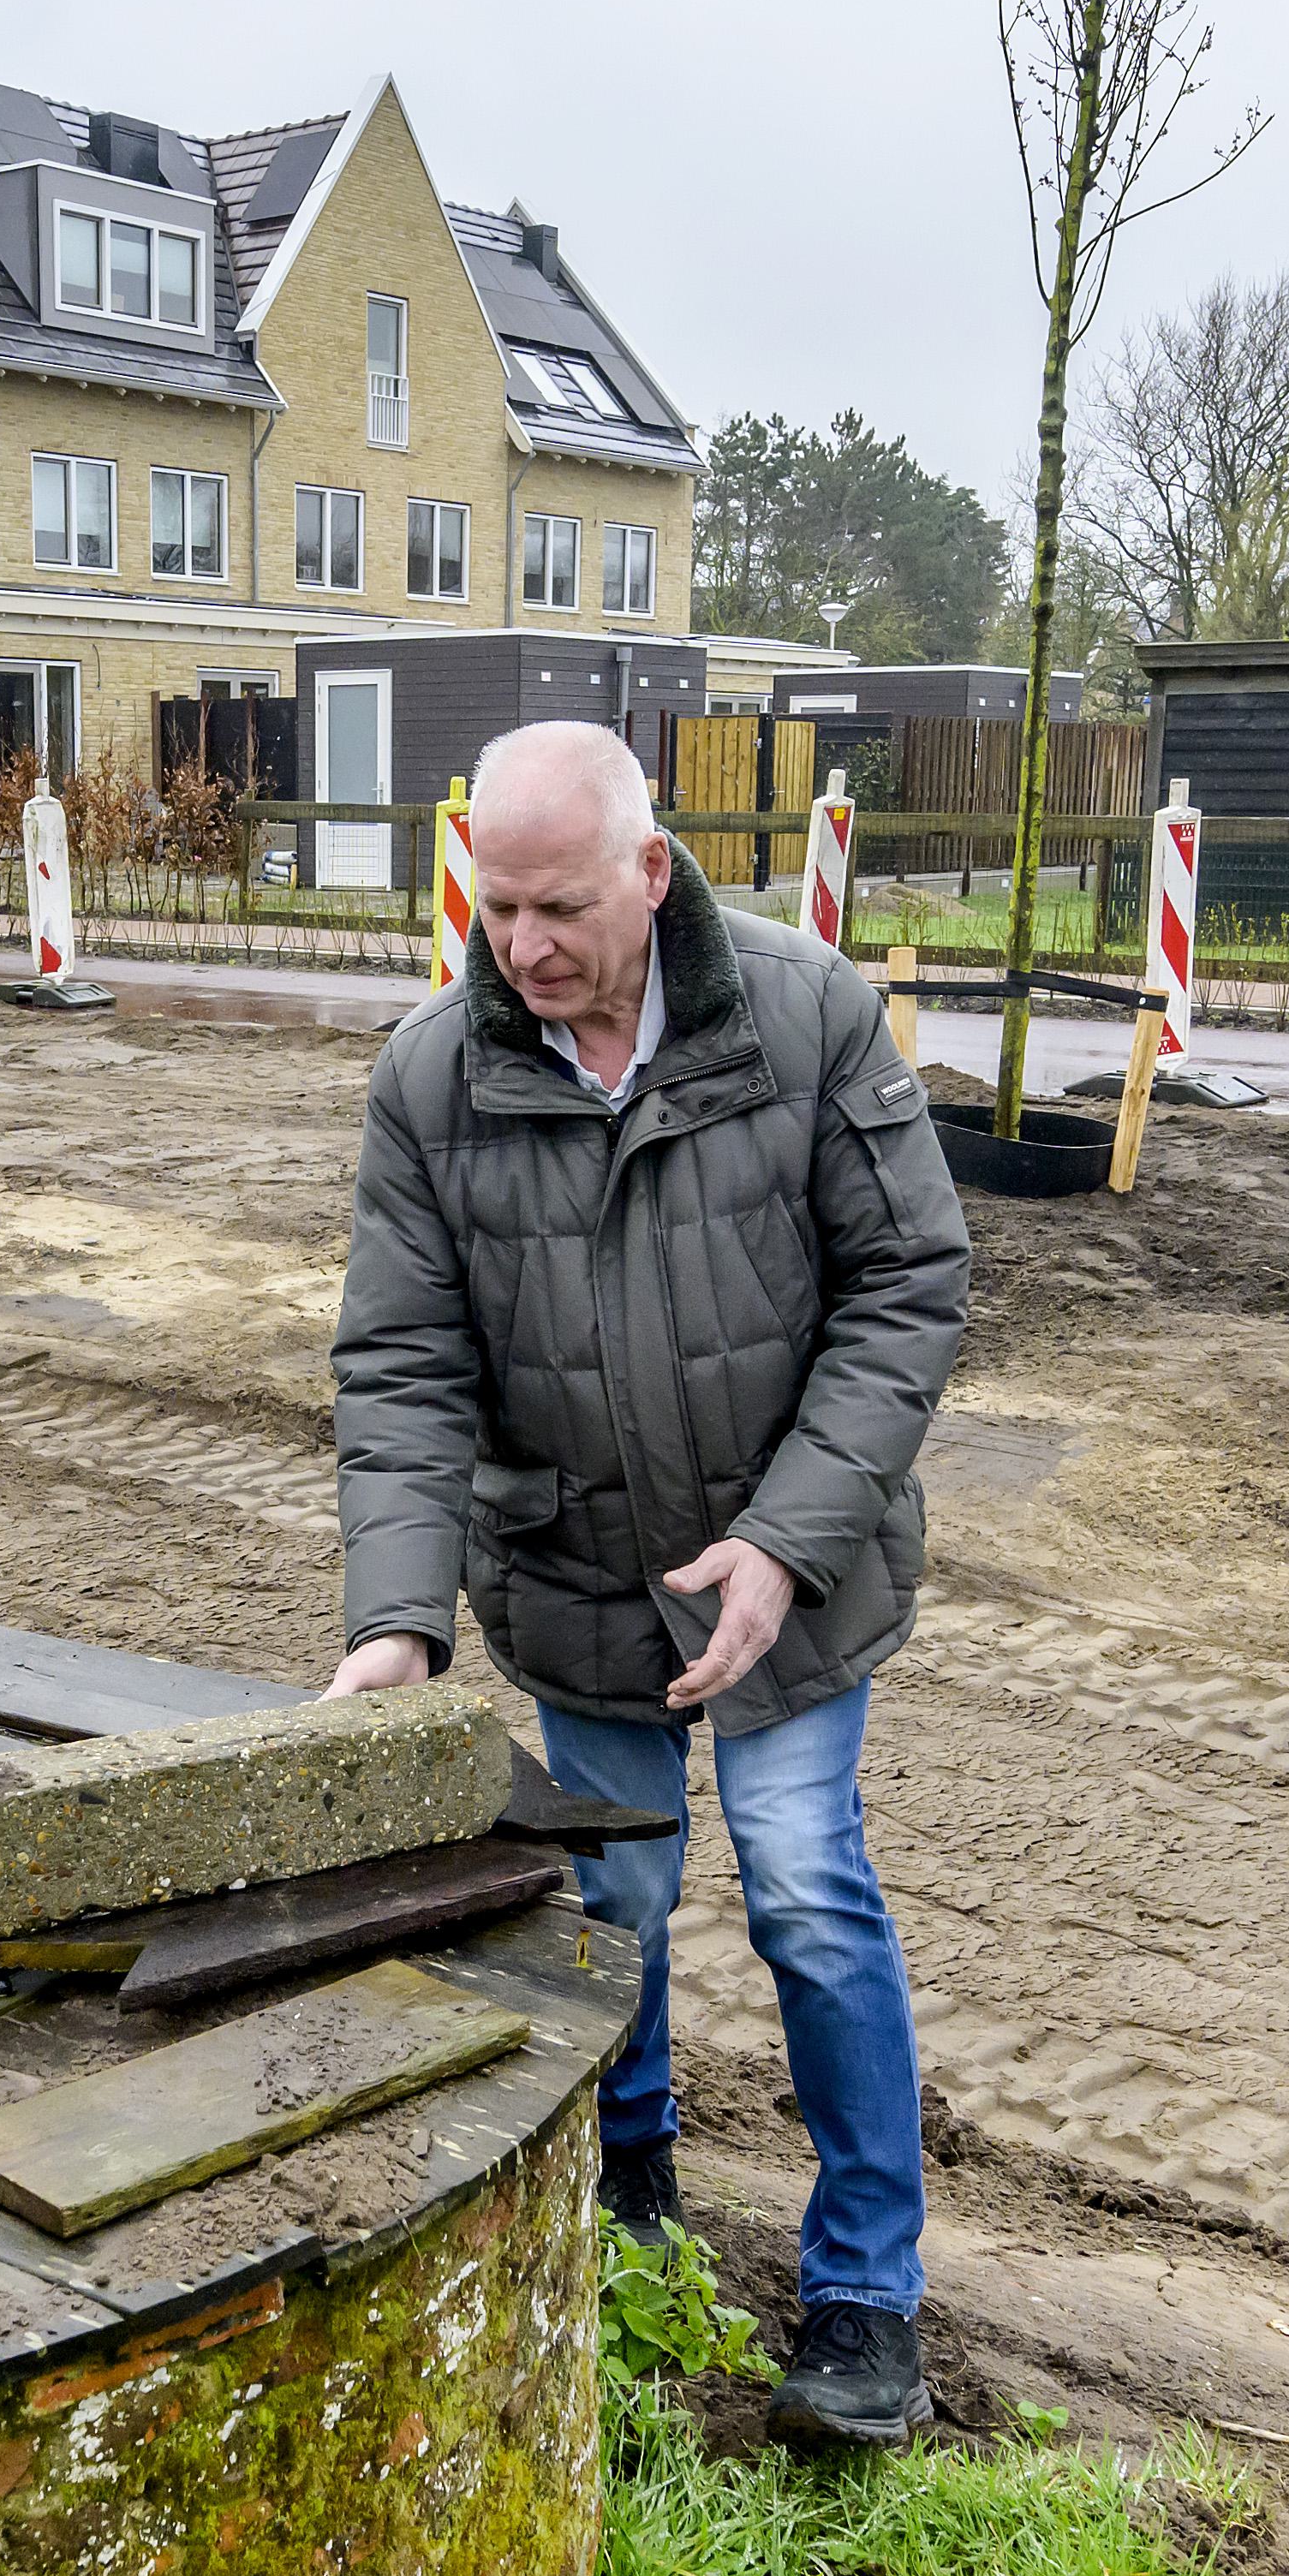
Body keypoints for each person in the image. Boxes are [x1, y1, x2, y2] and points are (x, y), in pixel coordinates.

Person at [324, 721, 970, 2448]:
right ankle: (626, 2194)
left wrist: (783, 1539)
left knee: (807, 1891)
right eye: (494, 904)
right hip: (574, 1571)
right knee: (604, 1906)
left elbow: (907, 1285)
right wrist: (395, 1615)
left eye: (555, 908)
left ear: (649, 874)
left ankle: (863, 2288)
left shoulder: (805, 1015)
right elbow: (400, 1367)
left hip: (788, 1573)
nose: (521, 946)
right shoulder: (432, 1078)